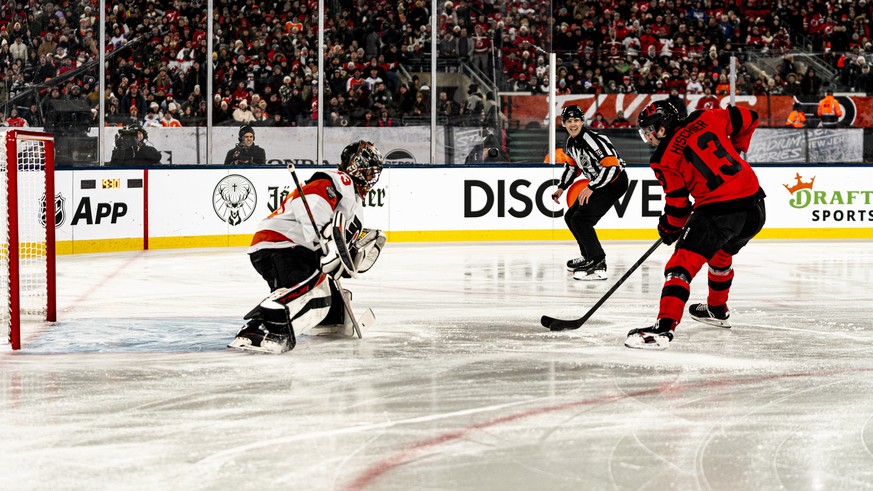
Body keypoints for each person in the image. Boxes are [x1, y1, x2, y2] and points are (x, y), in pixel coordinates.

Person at [627, 100, 766, 350]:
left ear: (663, 127)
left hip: (718, 211)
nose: (648, 137)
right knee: (721, 255)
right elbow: (750, 116)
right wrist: (736, 148)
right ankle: (716, 309)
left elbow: (678, 206)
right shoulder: (707, 117)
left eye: (650, 130)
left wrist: (668, 228)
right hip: (755, 207)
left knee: (680, 266)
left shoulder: (663, 160)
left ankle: (663, 329)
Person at [229, 140, 387, 353]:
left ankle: (331, 321)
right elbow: (310, 202)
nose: (372, 177)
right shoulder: (341, 180)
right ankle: (257, 330)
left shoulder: (354, 198)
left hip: (288, 245)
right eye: (369, 171)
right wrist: (323, 240)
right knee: (315, 293)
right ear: (355, 166)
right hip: (282, 243)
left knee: (325, 291)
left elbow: (337, 242)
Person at [550, 105, 629, 281]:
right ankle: (588, 256)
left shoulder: (594, 140)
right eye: (569, 121)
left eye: (576, 120)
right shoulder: (570, 142)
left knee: (581, 219)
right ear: (563, 123)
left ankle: (598, 261)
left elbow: (613, 168)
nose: (573, 124)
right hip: (599, 183)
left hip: (614, 183)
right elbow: (572, 167)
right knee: (571, 216)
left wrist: (592, 187)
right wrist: (561, 187)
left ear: (582, 121)